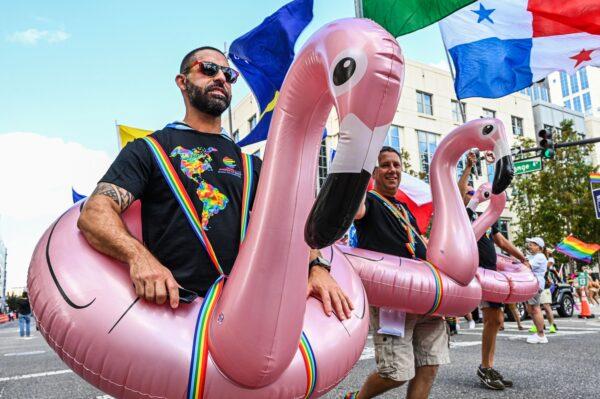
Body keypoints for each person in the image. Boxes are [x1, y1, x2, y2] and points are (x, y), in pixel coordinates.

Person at [78, 46, 351, 320]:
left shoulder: (251, 166)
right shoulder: (148, 150)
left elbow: (293, 222)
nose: (221, 77)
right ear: (182, 82)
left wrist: (316, 266)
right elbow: (94, 213)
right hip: (173, 317)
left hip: (241, 316)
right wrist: (139, 257)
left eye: (229, 74)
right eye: (208, 69)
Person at [346, 147, 448, 399]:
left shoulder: (404, 208)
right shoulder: (369, 200)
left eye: (396, 165)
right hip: (394, 299)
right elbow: (355, 212)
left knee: (429, 364)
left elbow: (420, 243)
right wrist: (361, 172)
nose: (393, 170)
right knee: (396, 373)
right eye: (385, 165)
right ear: (375, 171)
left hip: (426, 297)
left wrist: (446, 294)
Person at [458, 152, 527, 390]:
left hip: (491, 271)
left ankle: (487, 366)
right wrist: (468, 167)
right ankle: (485, 367)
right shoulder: (463, 214)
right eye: (470, 192)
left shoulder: (487, 216)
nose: (473, 193)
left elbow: (500, 240)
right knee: (493, 319)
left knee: (496, 319)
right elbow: (460, 190)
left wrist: (521, 257)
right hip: (475, 271)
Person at [524, 237, 548, 344]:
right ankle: (539, 332)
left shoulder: (540, 256)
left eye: (532, 244)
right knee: (531, 309)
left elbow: (527, 266)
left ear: (538, 247)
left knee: (535, 308)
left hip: (535, 283)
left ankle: (541, 335)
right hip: (532, 283)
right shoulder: (534, 256)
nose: (530, 246)